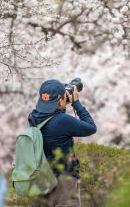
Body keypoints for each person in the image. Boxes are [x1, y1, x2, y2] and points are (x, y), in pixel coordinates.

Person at [28, 79, 97, 207]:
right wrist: (76, 103)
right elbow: (91, 127)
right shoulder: (63, 121)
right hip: (63, 179)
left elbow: (53, 120)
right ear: (60, 100)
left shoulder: (33, 117)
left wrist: (60, 104)